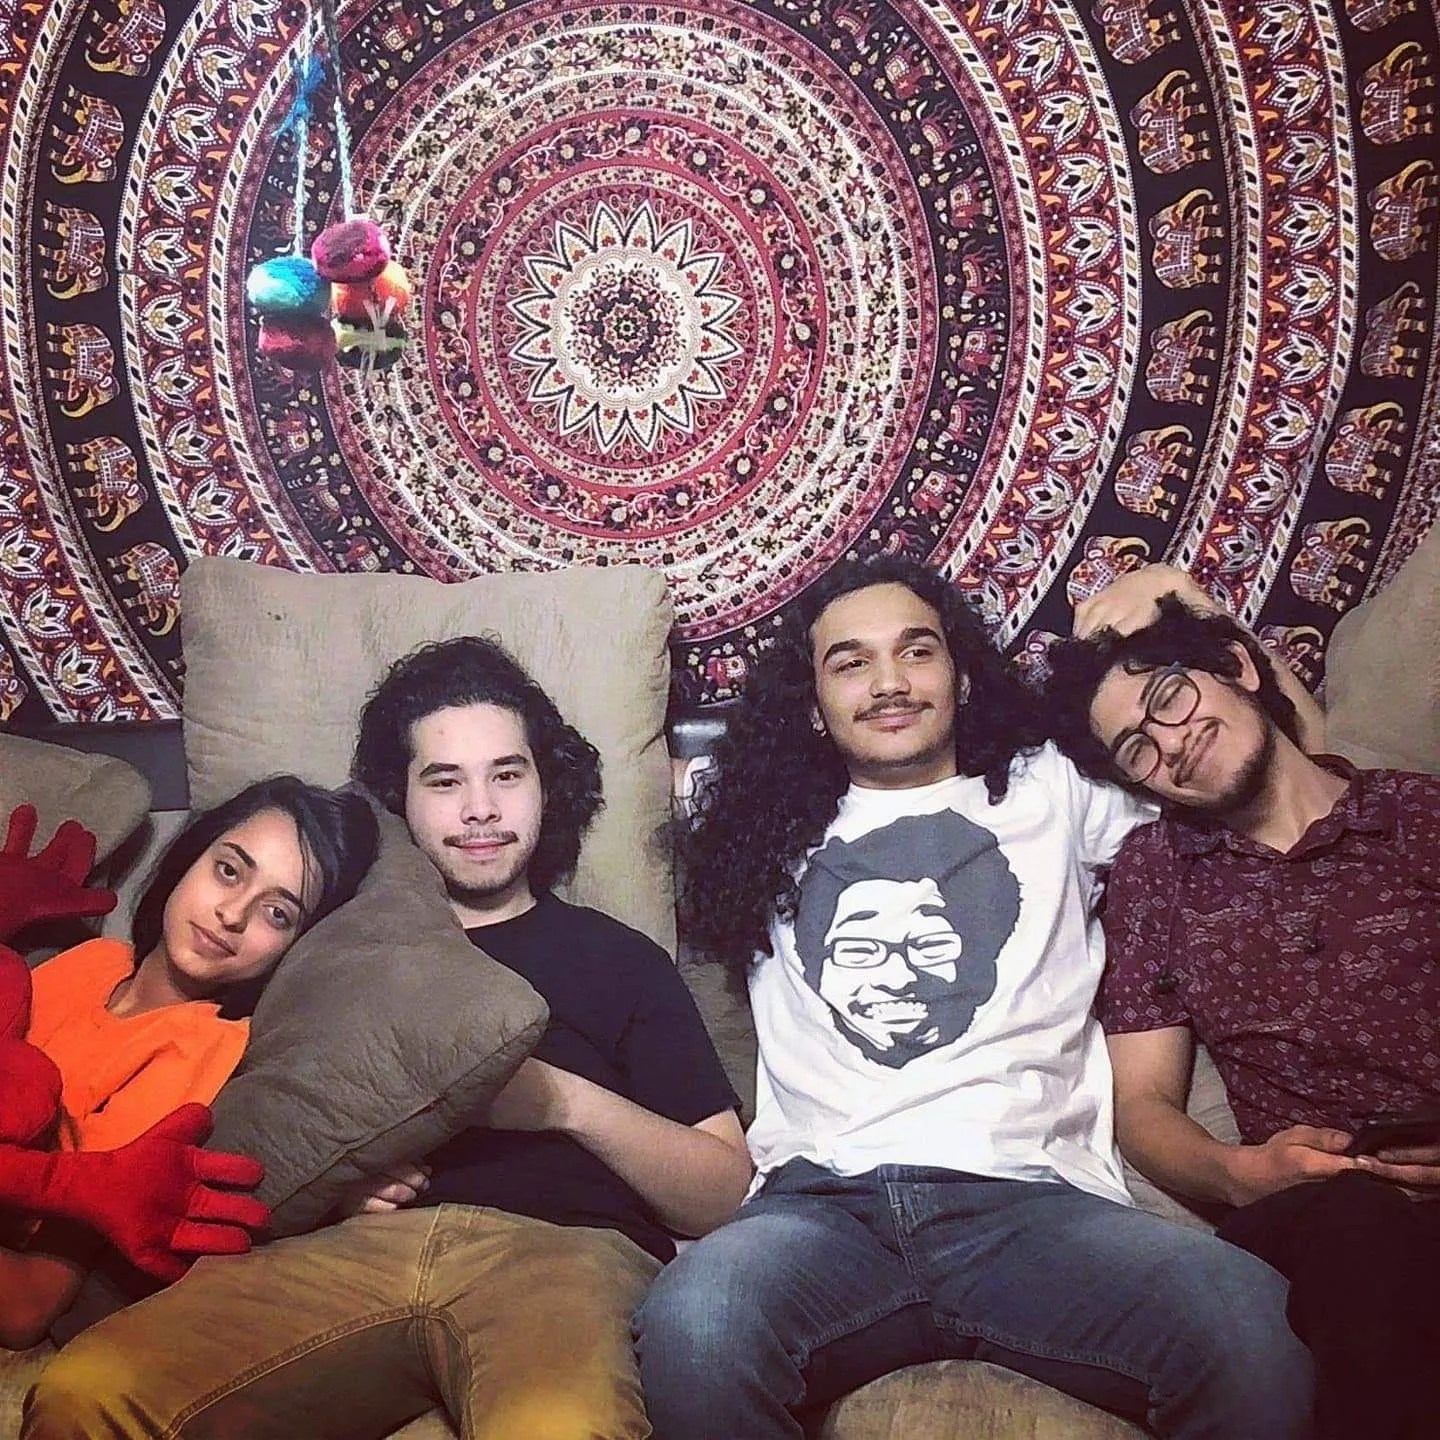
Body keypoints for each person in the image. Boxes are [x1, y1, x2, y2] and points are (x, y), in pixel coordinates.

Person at [635, 555, 1313, 1440]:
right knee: (694, 1323)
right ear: (813, 705)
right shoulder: (759, 824)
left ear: (961, 676)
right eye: (850, 662)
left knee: (1251, 1323)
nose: (889, 682)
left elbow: (1299, 782)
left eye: (916, 651)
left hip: (1035, 1207)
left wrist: (1192, 603)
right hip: (819, 1213)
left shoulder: (1057, 788)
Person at [26, 635, 751, 1440]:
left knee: (557, 1426)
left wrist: (565, 1105)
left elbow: (722, 1192)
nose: (480, 808)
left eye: (507, 775)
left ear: (546, 787)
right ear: (399, 800)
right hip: (345, 1257)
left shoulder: (618, 957)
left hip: (561, 1255)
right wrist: (338, 1188)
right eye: (444, 781)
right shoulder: (314, 947)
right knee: (88, 1392)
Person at [1046, 594, 1440, 1440]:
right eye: (1137, 748)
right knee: (1362, 1230)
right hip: (1317, 1213)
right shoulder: (1155, 874)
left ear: (1237, 669)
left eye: (1170, 697)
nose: (1171, 743)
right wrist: (1239, 1174)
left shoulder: (1419, 816)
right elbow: (1143, 1105)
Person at [0, 778, 377, 1349]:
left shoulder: (204, 1046)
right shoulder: (95, 958)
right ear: (188, 858)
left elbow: (27, 1305)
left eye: (277, 913)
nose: (232, 913)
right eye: (228, 871)